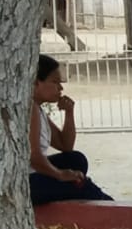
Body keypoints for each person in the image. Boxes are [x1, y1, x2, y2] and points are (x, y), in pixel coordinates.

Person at [29, 54, 112, 205]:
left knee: (76, 159)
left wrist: (69, 112)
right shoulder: (30, 109)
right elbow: (33, 157)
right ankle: (113, 207)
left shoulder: (37, 109)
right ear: (36, 83)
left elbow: (65, 145)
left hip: (34, 173)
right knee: (81, 186)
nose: (60, 88)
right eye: (55, 82)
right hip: (27, 181)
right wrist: (60, 175)